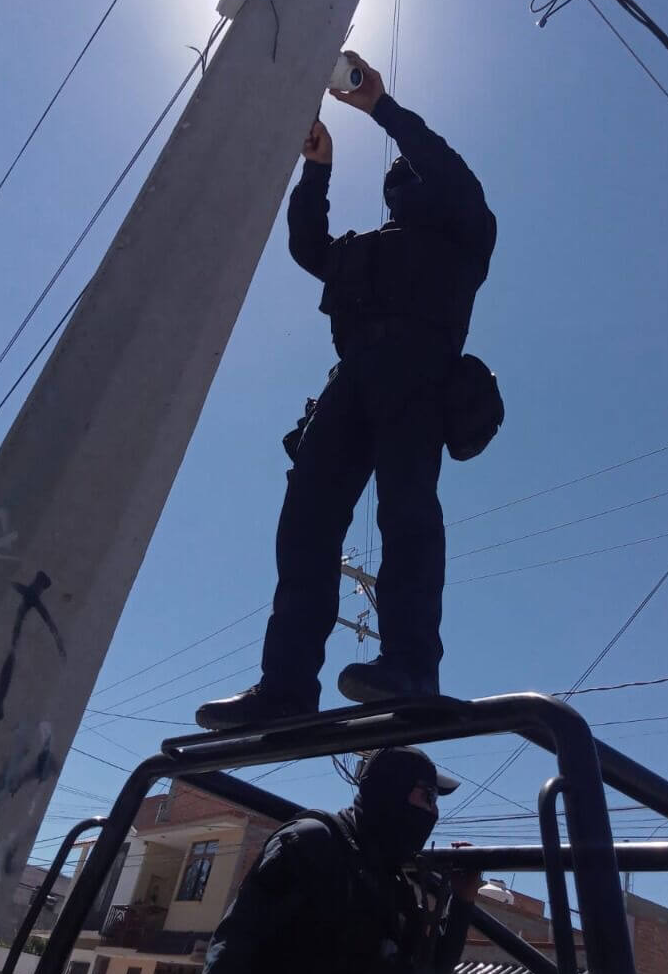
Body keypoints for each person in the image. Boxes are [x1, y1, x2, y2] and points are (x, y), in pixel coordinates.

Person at [196, 53, 496, 729]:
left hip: (419, 372)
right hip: (352, 379)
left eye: (411, 172)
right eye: (398, 177)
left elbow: (441, 161)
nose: (404, 180)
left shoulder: (467, 230)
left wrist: (380, 108)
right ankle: (285, 688)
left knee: (407, 515)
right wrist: (318, 167)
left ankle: (410, 665)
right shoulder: (366, 249)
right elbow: (310, 248)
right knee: (305, 524)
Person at [187, 746, 480, 974]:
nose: (434, 812)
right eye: (427, 796)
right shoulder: (314, 844)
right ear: (390, 791)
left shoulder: (392, 881)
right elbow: (234, 949)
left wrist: (463, 903)